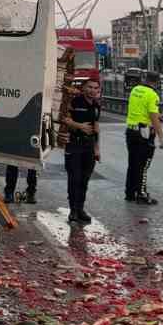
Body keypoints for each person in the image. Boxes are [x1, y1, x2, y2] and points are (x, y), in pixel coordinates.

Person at [64, 77, 101, 225]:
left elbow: (96, 128)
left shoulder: (97, 105)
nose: (92, 91)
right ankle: (73, 210)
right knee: (74, 179)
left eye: (95, 88)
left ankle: (80, 209)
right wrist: (79, 126)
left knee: (84, 180)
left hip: (89, 147)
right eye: (90, 87)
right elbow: (64, 118)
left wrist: (97, 149)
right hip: (74, 145)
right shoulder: (74, 101)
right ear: (84, 88)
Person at [124, 69, 163, 204]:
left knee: (133, 164)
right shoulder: (152, 95)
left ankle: (130, 193)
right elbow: (153, 118)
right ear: (157, 82)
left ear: (144, 79)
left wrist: (156, 114)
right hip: (144, 133)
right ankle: (141, 194)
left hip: (131, 131)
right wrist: (161, 137)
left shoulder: (135, 90)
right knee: (143, 165)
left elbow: (140, 109)